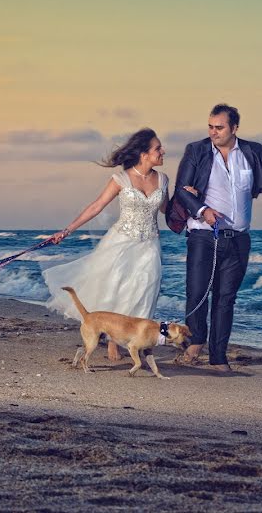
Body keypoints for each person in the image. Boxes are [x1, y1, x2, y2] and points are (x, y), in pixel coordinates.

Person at [166, 104, 262, 372]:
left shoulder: (252, 151)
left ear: (234, 128)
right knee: (197, 294)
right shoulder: (197, 150)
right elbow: (182, 189)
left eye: (219, 127)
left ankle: (218, 357)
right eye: (210, 126)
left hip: (238, 238)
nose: (213, 132)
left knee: (226, 299)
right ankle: (196, 341)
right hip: (203, 235)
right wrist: (203, 211)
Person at [43, 128, 168, 361]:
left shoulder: (162, 179)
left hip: (149, 245)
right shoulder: (120, 179)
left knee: (143, 290)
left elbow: (167, 209)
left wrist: (192, 202)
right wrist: (67, 230)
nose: (163, 152)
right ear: (144, 153)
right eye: (158, 148)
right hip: (121, 242)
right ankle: (113, 338)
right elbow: (96, 206)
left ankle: (134, 339)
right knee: (115, 288)